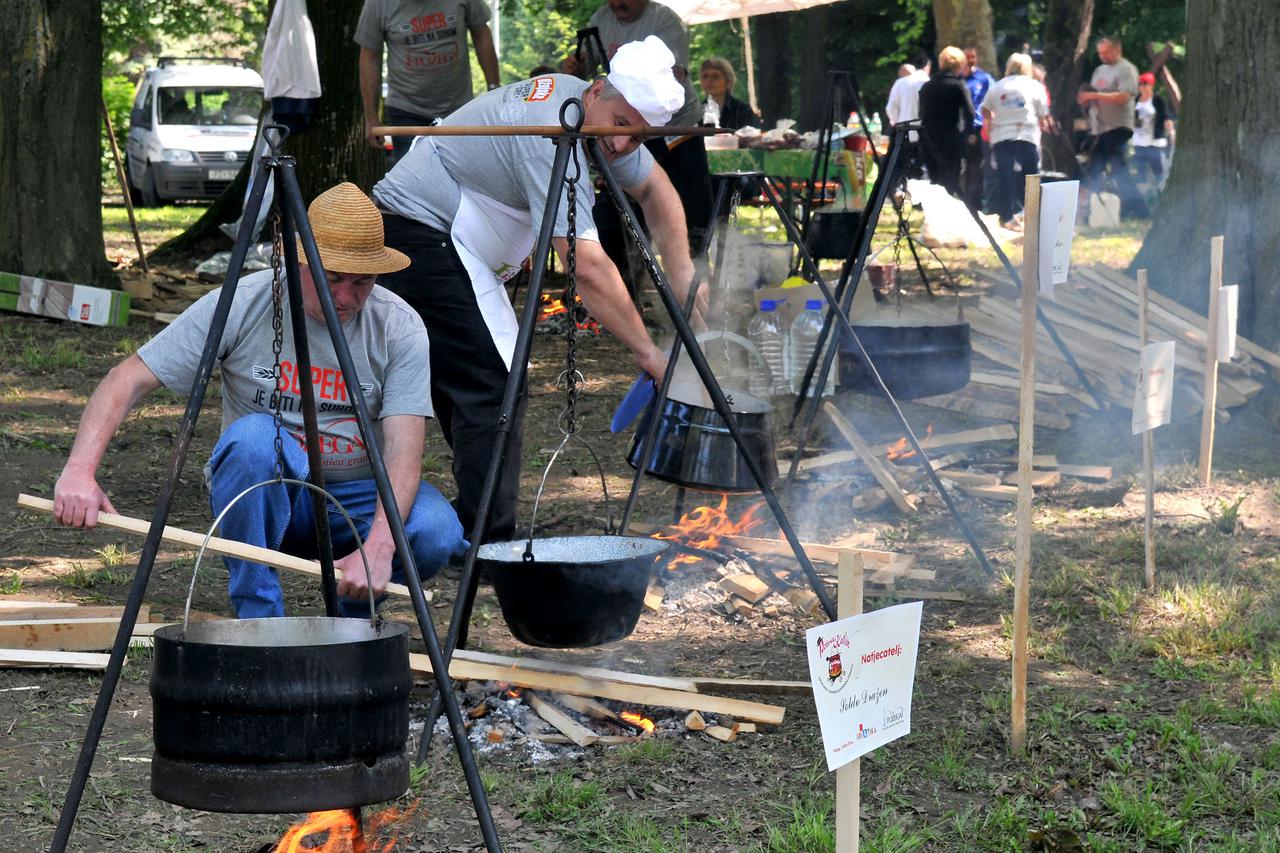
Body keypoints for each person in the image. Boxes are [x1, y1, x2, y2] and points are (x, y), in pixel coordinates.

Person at [52, 184, 468, 618]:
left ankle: (350, 624)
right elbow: (128, 378)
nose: (345, 298)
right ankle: (260, 622)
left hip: (356, 498)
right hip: (263, 491)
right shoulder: (243, 302)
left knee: (436, 528)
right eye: (332, 279)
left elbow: (404, 448)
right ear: (298, 261)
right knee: (252, 439)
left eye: (361, 282)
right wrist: (80, 471)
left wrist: (382, 544)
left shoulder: (399, 327)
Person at [372, 37, 703, 546]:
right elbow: (585, 266)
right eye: (619, 128)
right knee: (492, 380)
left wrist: (681, 272)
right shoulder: (553, 126)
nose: (621, 147)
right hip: (420, 230)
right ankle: (487, 541)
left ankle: (476, 526)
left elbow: (657, 189)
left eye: (637, 138)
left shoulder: (594, 118)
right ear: (597, 91)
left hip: (458, 243)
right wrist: (648, 353)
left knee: (482, 384)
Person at [564, 0, 713, 251]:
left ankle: (697, 270)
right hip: (624, 125)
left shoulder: (664, 20)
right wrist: (578, 66)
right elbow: (590, 68)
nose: (617, 3)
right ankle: (627, 269)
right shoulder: (600, 19)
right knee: (619, 201)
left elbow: (676, 74)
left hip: (676, 129)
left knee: (690, 202)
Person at [356, 0, 502, 163]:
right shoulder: (378, 4)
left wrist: (494, 89)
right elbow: (369, 57)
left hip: (459, 108)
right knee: (413, 181)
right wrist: (371, 117)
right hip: (407, 111)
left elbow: (481, 32)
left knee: (466, 175)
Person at [1077, 36, 1147, 218]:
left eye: (1106, 52)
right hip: (1098, 128)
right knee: (1096, 168)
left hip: (1118, 126)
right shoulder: (1099, 70)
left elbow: (1124, 96)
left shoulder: (1127, 69)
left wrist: (1095, 95)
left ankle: (1137, 210)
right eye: (1100, 53)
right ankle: (1095, 211)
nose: (1103, 56)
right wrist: (1086, 99)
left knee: (1117, 168)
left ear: (1117, 50)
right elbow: (1093, 93)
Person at [981, 52, 1049, 228]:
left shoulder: (997, 87)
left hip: (1002, 136)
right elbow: (1043, 114)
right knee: (1031, 177)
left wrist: (992, 120)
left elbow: (985, 109)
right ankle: (1033, 215)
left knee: (1005, 177)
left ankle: (1006, 216)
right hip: (1027, 135)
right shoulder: (1035, 86)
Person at [918, 46, 974, 197]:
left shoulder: (927, 86)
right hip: (951, 139)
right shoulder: (958, 85)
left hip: (929, 139)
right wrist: (967, 134)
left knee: (934, 180)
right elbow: (969, 113)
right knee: (950, 181)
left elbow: (921, 114)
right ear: (959, 64)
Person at [962, 46, 993, 210]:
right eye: (968, 57)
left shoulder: (984, 78)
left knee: (976, 167)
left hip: (978, 129)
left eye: (973, 57)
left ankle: (974, 203)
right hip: (960, 129)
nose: (971, 60)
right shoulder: (958, 78)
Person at [1132, 71, 1174, 191]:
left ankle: (1162, 194)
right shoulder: (1135, 101)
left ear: (1151, 85)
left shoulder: (1158, 101)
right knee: (1140, 177)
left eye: (1145, 84)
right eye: (1140, 84)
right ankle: (1145, 200)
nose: (1142, 87)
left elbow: (1166, 118)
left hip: (1155, 144)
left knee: (1159, 173)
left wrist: (1171, 131)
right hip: (1139, 143)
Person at [697, 56, 760, 129]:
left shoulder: (742, 110)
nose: (709, 80)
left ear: (728, 81)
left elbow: (753, 137)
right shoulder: (697, 113)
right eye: (705, 76)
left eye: (715, 76)